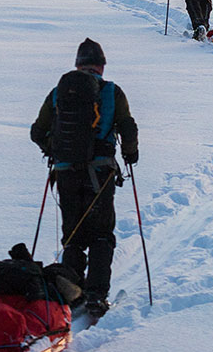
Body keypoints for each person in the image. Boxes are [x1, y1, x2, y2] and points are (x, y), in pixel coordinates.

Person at [28, 38, 139, 319]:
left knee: (73, 236)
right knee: (101, 235)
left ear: (77, 65)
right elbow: (127, 125)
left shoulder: (58, 93)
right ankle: (96, 296)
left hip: (65, 174)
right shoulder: (112, 92)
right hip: (100, 174)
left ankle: (71, 293)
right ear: (101, 66)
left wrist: (54, 150)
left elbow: (37, 132)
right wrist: (130, 153)